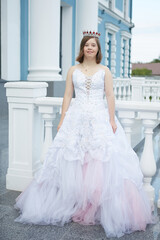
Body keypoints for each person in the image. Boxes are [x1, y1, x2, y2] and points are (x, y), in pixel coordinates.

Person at [14, 31, 156, 238]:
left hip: (99, 120)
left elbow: (109, 95)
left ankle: (95, 205)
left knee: (99, 160)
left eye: (94, 45)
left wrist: (111, 119)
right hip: (76, 118)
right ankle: (74, 201)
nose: (90, 48)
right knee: (73, 158)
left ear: (98, 50)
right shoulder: (73, 70)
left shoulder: (104, 70)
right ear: (82, 48)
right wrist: (62, 119)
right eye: (87, 45)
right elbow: (68, 95)